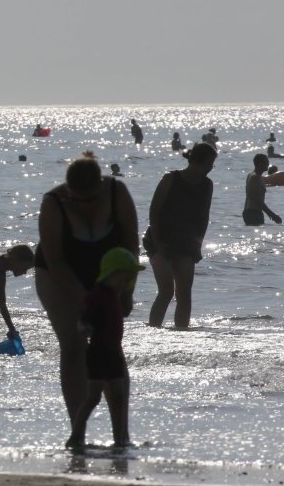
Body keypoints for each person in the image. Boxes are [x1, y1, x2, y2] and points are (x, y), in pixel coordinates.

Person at [34, 153, 139, 423]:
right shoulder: (54, 203)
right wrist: (85, 301)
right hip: (59, 274)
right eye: (77, 201)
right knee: (73, 344)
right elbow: (56, 261)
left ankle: (121, 431)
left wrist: (127, 292)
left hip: (105, 271)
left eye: (91, 200)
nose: (85, 206)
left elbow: (130, 246)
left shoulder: (117, 192)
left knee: (110, 345)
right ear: (68, 192)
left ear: (101, 186)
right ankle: (77, 427)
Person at [66, 247, 144, 450]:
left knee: (118, 395)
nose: (127, 284)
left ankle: (120, 440)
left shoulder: (113, 296)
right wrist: (84, 327)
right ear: (112, 274)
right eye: (125, 279)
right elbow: (85, 317)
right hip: (98, 354)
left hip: (113, 353)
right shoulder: (98, 295)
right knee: (93, 397)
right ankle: (75, 435)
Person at [145, 143, 216, 329]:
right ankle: (153, 332)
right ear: (195, 162)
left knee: (184, 294)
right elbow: (154, 210)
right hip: (159, 239)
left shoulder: (207, 185)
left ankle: (182, 334)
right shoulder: (171, 179)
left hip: (186, 242)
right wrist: (159, 242)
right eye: (208, 165)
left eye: (212, 166)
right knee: (166, 291)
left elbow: (204, 217)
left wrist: (197, 244)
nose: (209, 169)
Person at [244, 154, 284, 226]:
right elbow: (257, 200)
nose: (268, 164)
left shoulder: (251, 175)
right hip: (254, 213)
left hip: (248, 211)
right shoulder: (256, 177)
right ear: (260, 163)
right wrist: (272, 215)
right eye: (266, 162)